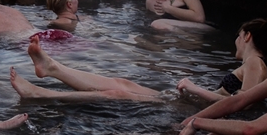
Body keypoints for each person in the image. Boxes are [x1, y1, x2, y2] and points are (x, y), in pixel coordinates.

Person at [178, 12, 267, 135]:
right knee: (216, 132)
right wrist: (191, 119)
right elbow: (240, 100)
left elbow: (250, 130)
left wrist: (198, 123)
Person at [9, 35, 160, 102]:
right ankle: (52, 67)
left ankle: (40, 93)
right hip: (176, 98)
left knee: (118, 94)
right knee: (123, 84)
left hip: (178, 107)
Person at [177, 19, 267, 102]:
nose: (236, 41)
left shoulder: (254, 62)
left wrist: (196, 89)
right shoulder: (255, 63)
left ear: (247, 36)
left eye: (239, 36)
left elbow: (244, 103)